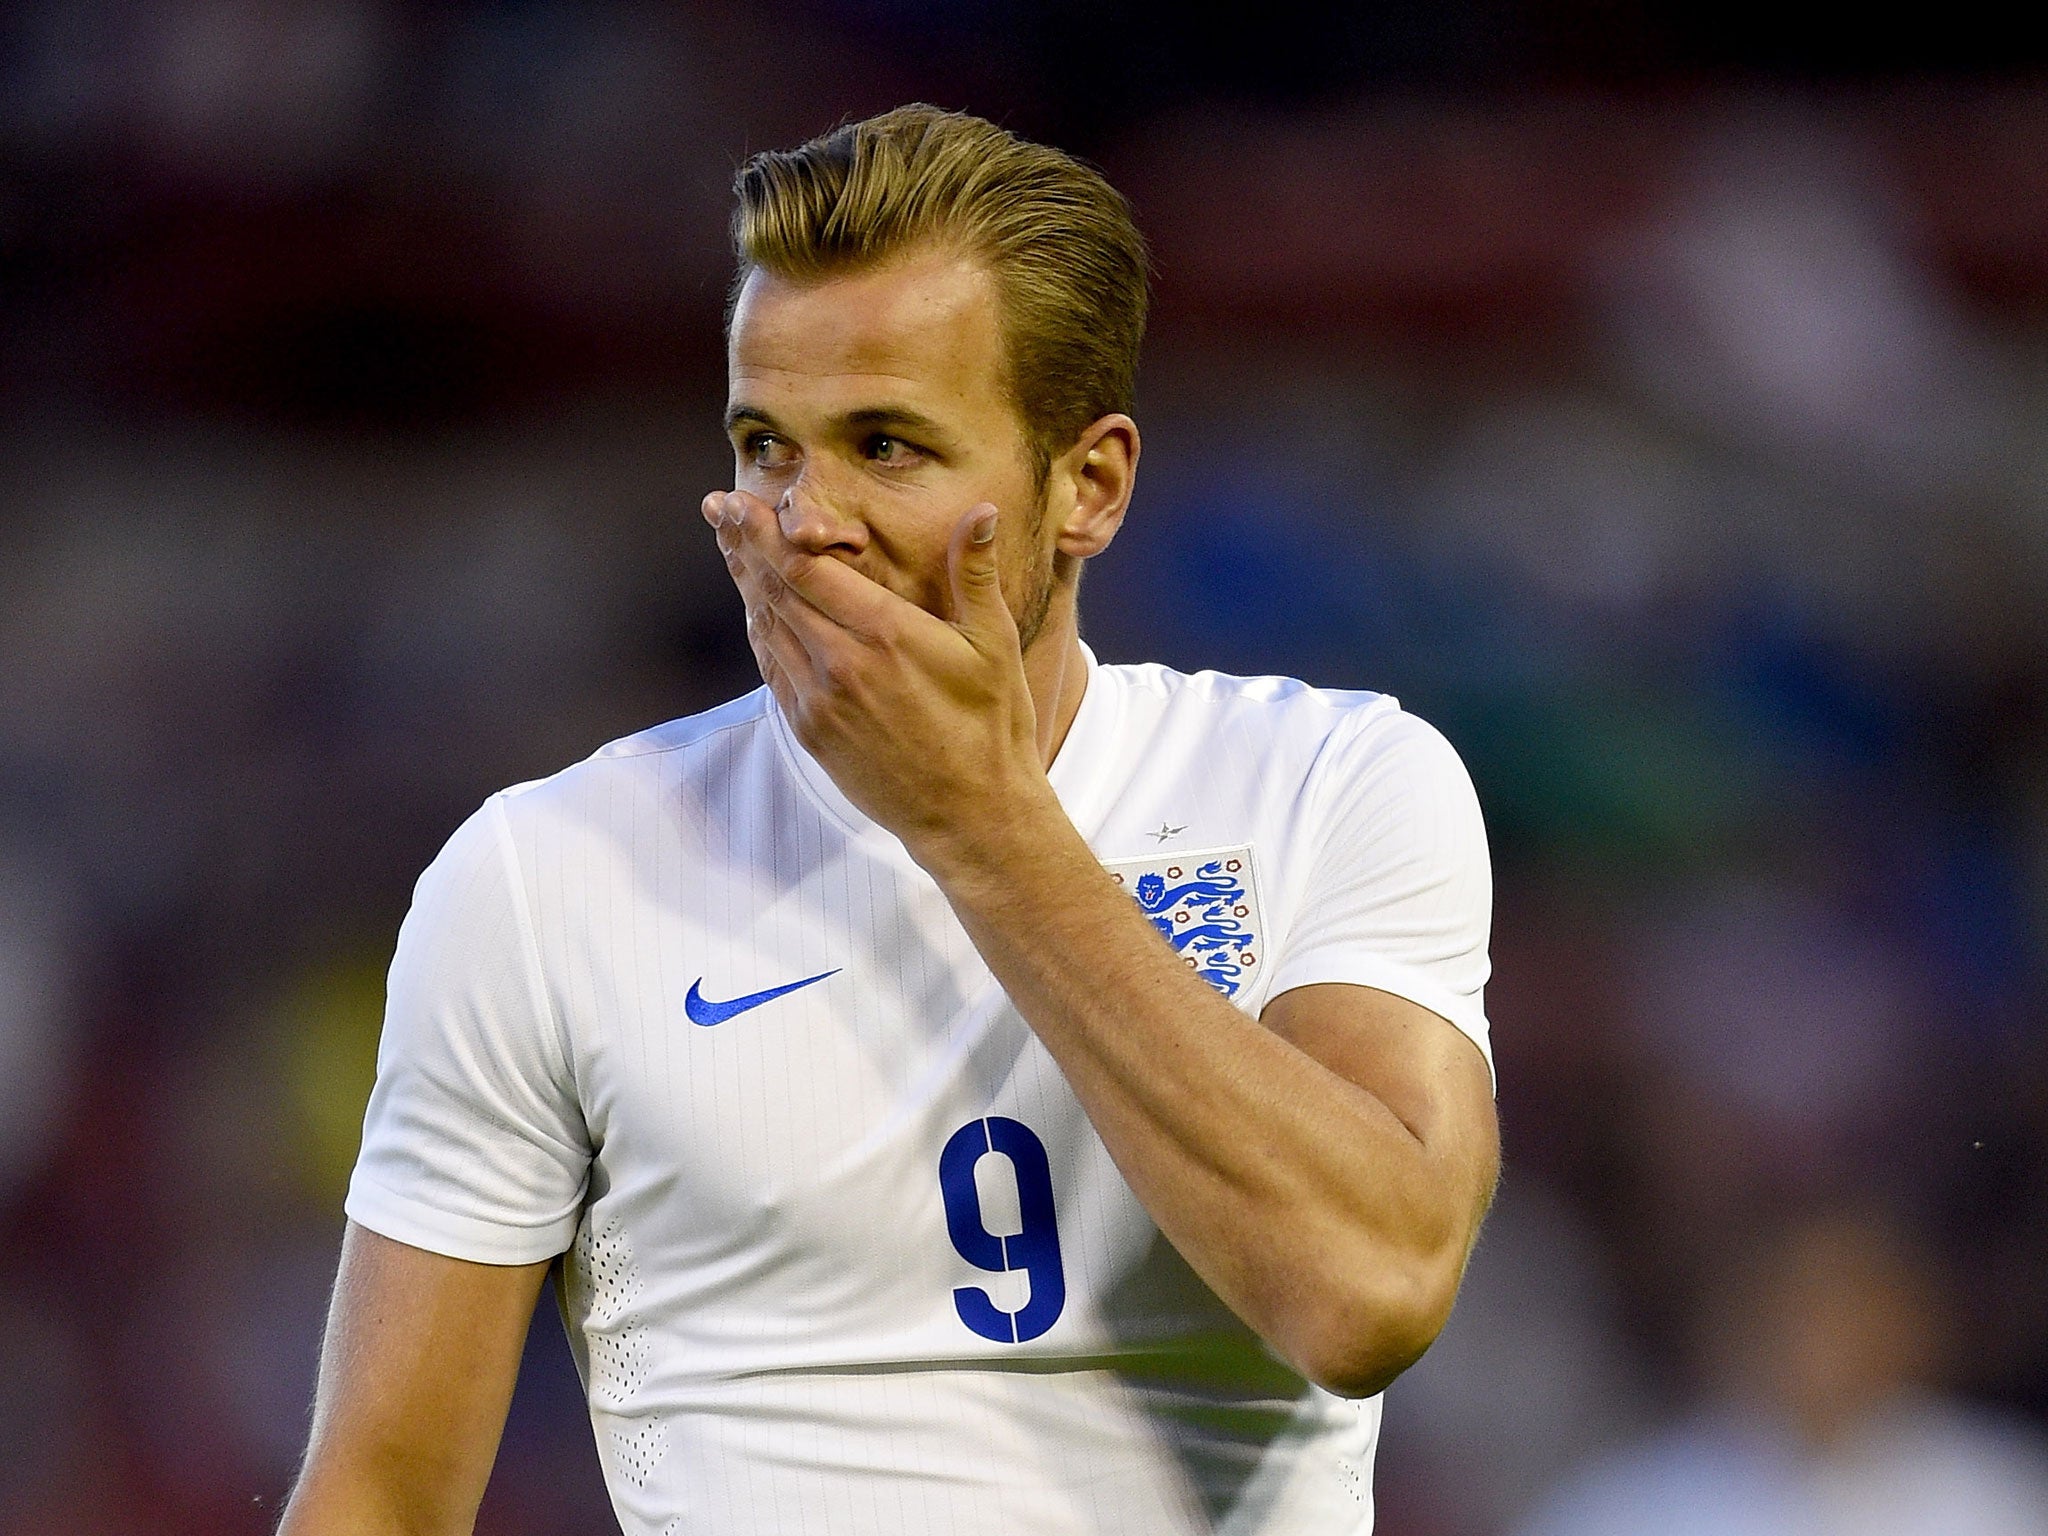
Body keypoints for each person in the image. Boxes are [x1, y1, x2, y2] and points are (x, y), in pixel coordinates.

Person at [279, 104, 1499, 1536]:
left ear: (1087, 488)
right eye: (765, 445)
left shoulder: (1326, 783)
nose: (805, 522)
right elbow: (380, 1496)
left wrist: (984, 828)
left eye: (889, 446)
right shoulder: (546, 873)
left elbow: (1369, 1296)